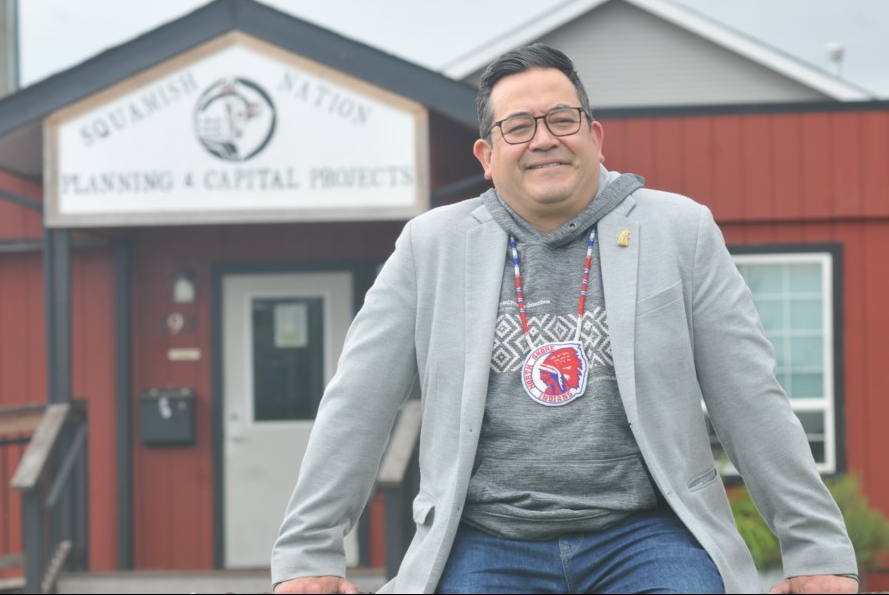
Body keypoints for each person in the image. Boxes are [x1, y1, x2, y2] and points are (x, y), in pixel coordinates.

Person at [270, 44, 858, 594]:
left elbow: (749, 398)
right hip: (484, 537)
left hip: (648, 532)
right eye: (518, 127)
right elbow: (358, 402)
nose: (543, 139)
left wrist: (817, 552)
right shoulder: (431, 247)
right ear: (487, 154)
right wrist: (307, 555)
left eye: (562, 119)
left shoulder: (679, 231)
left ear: (595, 136)